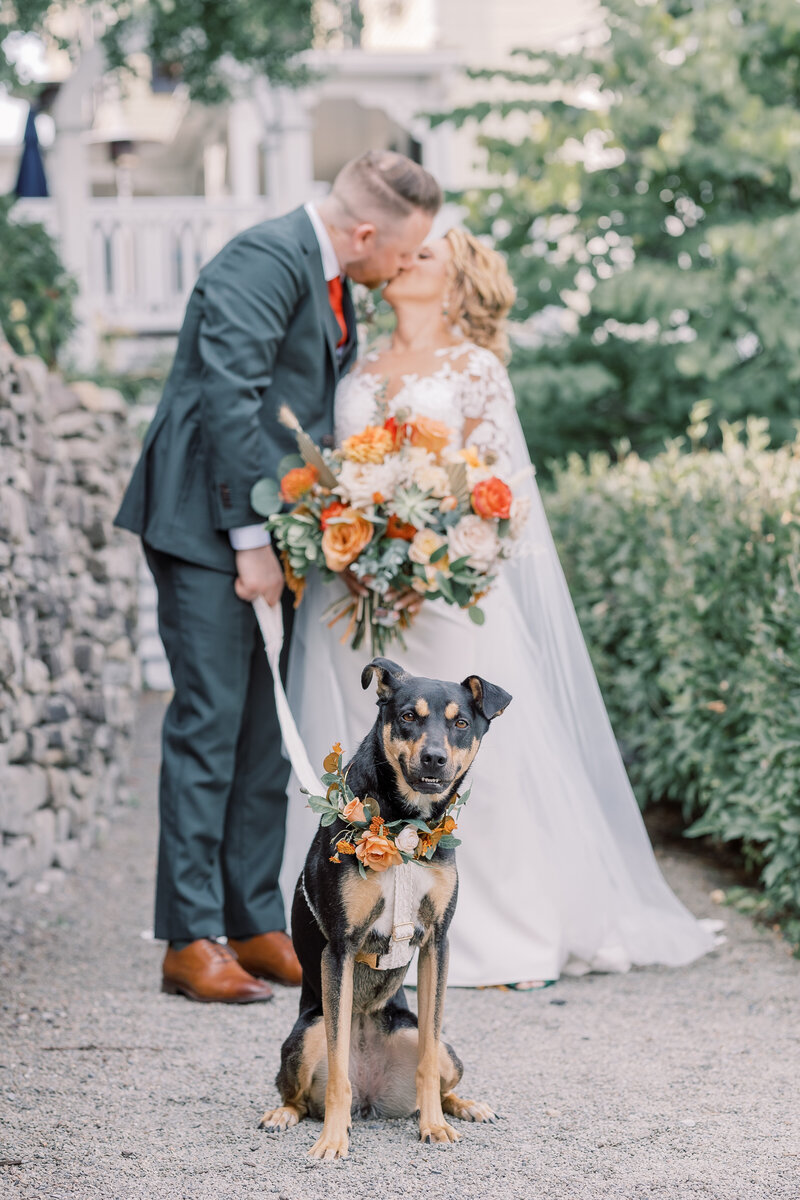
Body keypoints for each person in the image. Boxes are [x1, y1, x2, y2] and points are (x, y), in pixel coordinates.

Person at [279, 228, 719, 988]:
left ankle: (490, 935)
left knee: (462, 761)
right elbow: (335, 472)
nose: (406, 256)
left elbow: (500, 497)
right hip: (353, 599)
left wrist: (429, 560)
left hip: (443, 597)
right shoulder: (355, 364)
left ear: (457, 282)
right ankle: (350, 921)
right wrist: (349, 549)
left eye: (426, 254)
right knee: (359, 759)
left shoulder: (475, 369)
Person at [115, 151, 442, 1003]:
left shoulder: (331, 276)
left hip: (276, 536)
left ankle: (254, 919)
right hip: (206, 525)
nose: (405, 268)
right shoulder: (264, 257)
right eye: (404, 252)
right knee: (209, 725)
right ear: (365, 232)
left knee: (264, 731)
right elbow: (229, 396)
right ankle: (189, 938)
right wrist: (250, 538)